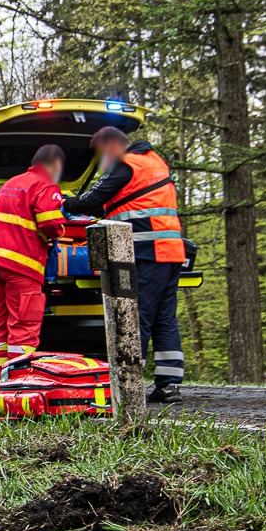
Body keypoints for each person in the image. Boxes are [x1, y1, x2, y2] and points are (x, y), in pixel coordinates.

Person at [63, 126, 187, 403]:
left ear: (111, 146)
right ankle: (169, 385)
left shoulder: (125, 164)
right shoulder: (154, 162)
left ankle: (129, 384)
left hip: (145, 251)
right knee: (164, 319)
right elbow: (120, 201)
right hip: (171, 251)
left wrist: (66, 203)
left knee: (137, 315)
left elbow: (95, 198)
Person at [0, 144, 68, 394]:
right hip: (21, 265)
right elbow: (50, 222)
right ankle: (18, 387)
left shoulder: (12, 183)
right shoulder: (46, 185)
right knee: (23, 328)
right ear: (55, 165)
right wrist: (61, 232)